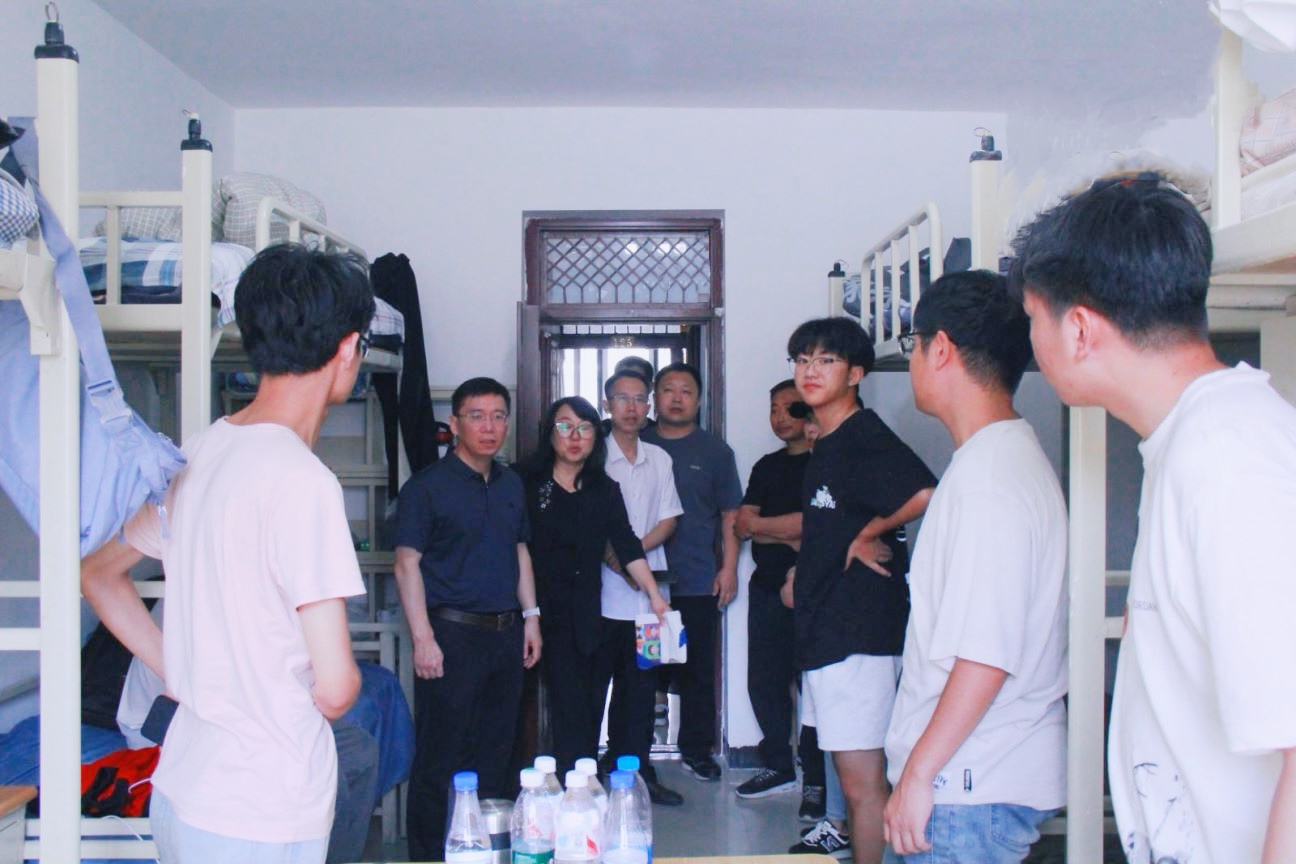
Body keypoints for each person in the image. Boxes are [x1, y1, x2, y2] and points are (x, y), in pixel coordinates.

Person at [1010, 172, 1296, 864]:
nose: (1032, 343)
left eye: (1033, 319)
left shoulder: (1230, 460)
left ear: (1079, 329)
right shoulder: (1193, 440)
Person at [79, 244, 372, 863]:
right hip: (262, 802)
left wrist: (183, 670)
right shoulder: (303, 481)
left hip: (184, 786)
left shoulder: (200, 451)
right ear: (347, 348)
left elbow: (99, 575)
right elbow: (337, 687)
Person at [881, 270, 1068, 862]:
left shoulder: (990, 483)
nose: (912, 359)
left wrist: (919, 774)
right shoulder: (994, 460)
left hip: (965, 791)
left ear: (940, 348)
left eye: (913, 344)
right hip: (967, 786)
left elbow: (986, 655)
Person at [786, 317, 936, 864]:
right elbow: (833, 521)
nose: (810, 371)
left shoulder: (862, 434)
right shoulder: (828, 440)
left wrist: (869, 533)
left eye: (826, 361)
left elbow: (924, 491)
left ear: (855, 374)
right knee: (853, 783)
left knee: (863, 787)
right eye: (803, 360)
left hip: (857, 635)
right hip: (829, 630)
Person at [394, 376, 542, 859]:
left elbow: (520, 551)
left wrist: (531, 618)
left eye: (499, 416)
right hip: (450, 635)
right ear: (455, 424)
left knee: (497, 750)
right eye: (477, 417)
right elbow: (407, 564)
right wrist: (423, 639)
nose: (489, 427)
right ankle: (429, 854)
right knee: (442, 754)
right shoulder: (427, 488)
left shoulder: (511, 483)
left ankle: (487, 851)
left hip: (505, 634)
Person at [522, 396, 670, 774]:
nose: (575, 436)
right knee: (527, 705)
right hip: (531, 610)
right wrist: (529, 613)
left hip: (583, 614)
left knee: (579, 707)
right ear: (550, 433)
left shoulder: (603, 488)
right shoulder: (525, 482)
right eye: (565, 426)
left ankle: (579, 783)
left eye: (585, 428)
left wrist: (655, 596)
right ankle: (534, 786)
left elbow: (627, 545)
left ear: (594, 436)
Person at [642, 362, 743, 782]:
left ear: (699, 400)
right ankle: (634, 752)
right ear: (655, 397)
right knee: (643, 669)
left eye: (686, 390)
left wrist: (729, 568)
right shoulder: (636, 443)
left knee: (697, 671)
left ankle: (696, 750)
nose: (677, 397)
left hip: (697, 579)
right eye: (669, 389)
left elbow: (730, 515)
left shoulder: (715, 452)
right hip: (641, 583)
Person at [595, 368, 686, 806]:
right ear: (607, 405)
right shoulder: (594, 455)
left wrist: (631, 553)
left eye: (638, 400)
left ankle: (637, 773)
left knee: (641, 690)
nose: (631, 408)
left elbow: (669, 519)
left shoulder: (660, 459)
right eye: (622, 399)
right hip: (600, 598)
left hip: (651, 604)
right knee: (596, 687)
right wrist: (614, 558)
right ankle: (592, 772)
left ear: (648, 407)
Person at [733, 381, 825, 809]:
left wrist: (770, 528)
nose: (780, 416)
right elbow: (743, 525)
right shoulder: (766, 466)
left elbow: (818, 526)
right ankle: (778, 765)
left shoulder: (826, 462)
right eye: (773, 408)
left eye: (790, 407)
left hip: (816, 591)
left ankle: (818, 779)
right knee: (765, 679)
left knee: (816, 685)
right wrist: (790, 532)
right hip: (767, 587)